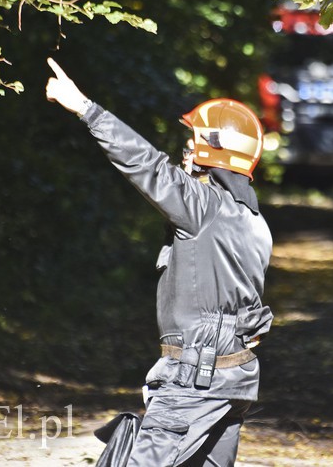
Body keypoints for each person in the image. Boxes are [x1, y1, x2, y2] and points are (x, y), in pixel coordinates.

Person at [45, 58, 273, 466]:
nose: (184, 153)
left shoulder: (204, 207)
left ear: (212, 150)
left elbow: (148, 166)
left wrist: (86, 109)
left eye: (191, 145)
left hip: (194, 383)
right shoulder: (254, 222)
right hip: (234, 381)